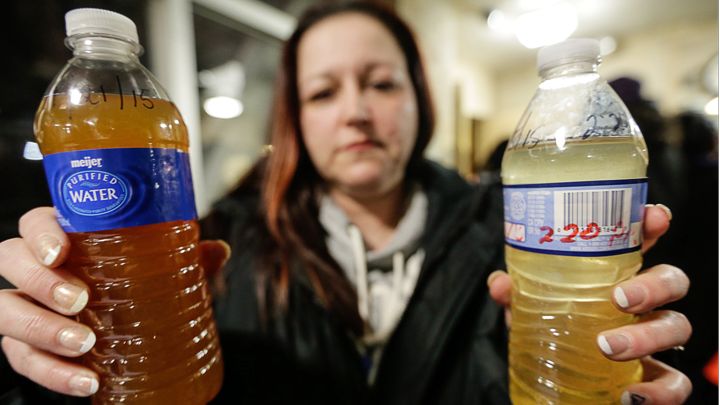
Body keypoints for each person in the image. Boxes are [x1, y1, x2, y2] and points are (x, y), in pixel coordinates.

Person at [0, 2, 693, 404]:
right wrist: (59, 355)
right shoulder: (215, 248)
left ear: (419, 101)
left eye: (382, 83)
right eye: (323, 91)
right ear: (293, 118)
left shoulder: (518, 231)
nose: (357, 112)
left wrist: (628, 365)